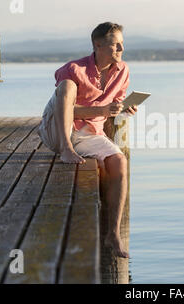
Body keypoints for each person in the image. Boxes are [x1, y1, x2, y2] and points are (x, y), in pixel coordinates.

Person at [37, 22, 137, 258]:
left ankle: (112, 234)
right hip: (57, 129)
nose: (121, 48)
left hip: (90, 133)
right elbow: (69, 110)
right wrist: (103, 110)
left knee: (118, 162)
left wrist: (123, 109)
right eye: (115, 44)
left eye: (122, 43)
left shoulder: (122, 71)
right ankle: (67, 149)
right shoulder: (73, 69)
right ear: (98, 44)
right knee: (67, 86)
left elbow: (110, 109)